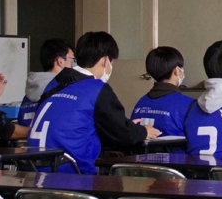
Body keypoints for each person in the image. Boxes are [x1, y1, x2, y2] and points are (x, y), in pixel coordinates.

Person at [27, 31, 160, 173]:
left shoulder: (54, 84)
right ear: (105, 61)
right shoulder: (96, 88)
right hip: (70, 173)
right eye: (112, 63)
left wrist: (124, 125)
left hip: (33, 168)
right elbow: (121, 133)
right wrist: (143, 131)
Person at [132, 46, 194, 137]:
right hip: (177, 151)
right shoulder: (188, 104)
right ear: (176, 70)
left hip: (141, 151)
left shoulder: (141, 102)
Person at [18, 38, 75, 127]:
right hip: (49, 140)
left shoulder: (29, 94)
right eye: (72, 59)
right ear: (60, 61)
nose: (73, 65)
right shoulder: (61, 90)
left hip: (27, 140)